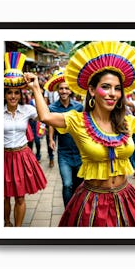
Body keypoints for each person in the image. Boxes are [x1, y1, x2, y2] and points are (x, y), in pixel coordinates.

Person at [24, 41, 135, 227]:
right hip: (92, 202)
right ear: (91, 90)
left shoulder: (127, 122)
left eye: (117, 88)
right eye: (106, 86)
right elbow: (46, 116)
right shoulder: (77, 120)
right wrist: (35, 89)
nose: (112, 93)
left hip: (126, 197)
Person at [3, 51, 47, 227]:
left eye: (16, 92)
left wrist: (35, 87)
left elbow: (45, 115)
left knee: (20, 196)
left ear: (21, 94)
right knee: (4, 195)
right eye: (9, 92)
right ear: (4, 94)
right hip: (2, 157)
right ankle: (6, 223)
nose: (13, 96)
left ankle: (18, 229)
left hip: (22, 156)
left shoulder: (28, 110)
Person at [44, 68, 84, 207]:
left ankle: (77, 209)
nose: (64, 91)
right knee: (67, 184)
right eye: (61, 89)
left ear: (71, 90)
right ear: (57, 90)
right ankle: (68, 211)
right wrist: (50, 139)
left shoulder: (79, 107)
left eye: (67, 88)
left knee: (79, 185)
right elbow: (51, 124)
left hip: (80, 153)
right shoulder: (52, 107)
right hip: (64, 153)